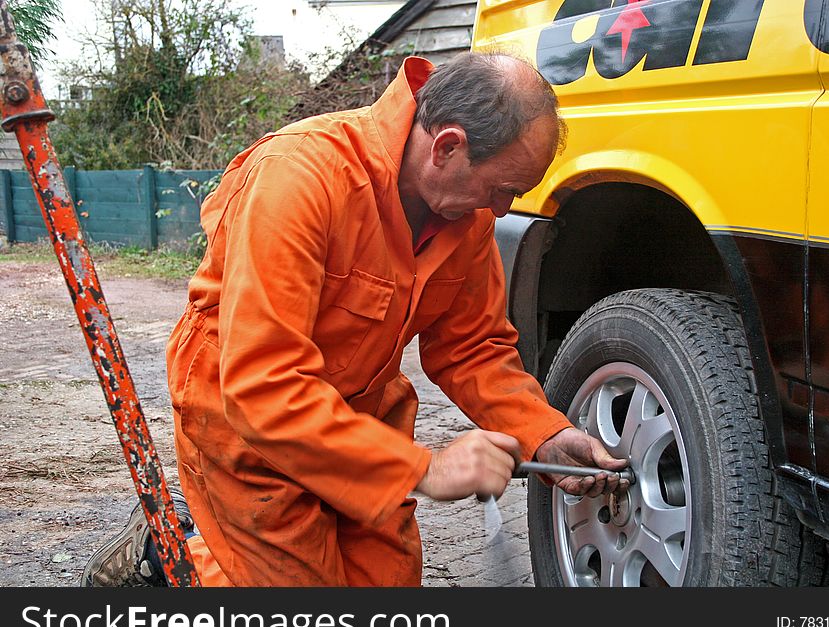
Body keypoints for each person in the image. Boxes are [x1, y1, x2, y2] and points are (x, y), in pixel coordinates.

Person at [81, 51, 629, 587]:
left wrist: (545, 434)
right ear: (447, 146)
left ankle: (189, 549)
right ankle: (169, 554)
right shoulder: (299, 178)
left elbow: (472, 347)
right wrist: (425, 469)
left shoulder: (467, 216)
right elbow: (261, 387)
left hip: (361, 416)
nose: (505, 208)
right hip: (244, 424)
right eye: (502, 187)